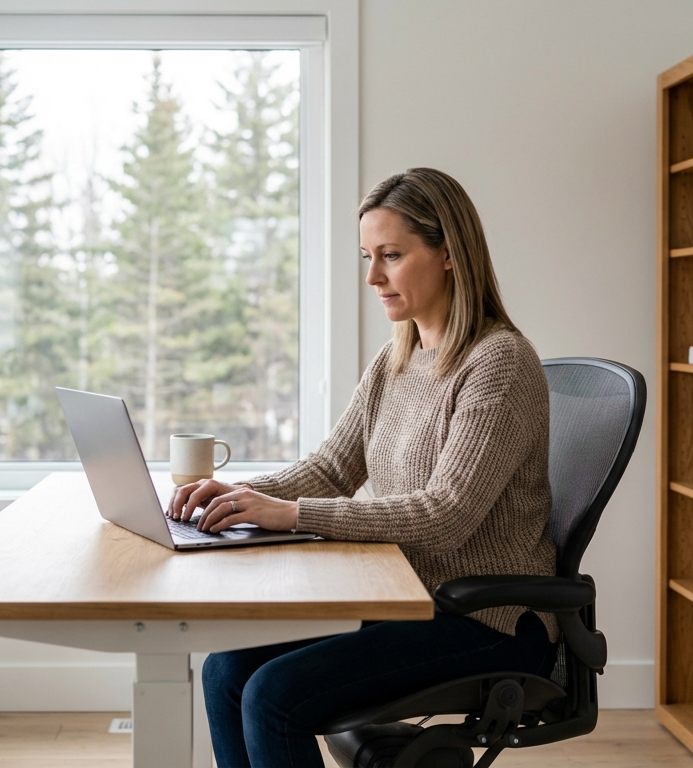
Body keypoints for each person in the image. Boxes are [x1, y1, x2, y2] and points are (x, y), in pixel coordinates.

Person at [167, 167, 557, 768]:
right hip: (408, 598)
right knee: (225, 669)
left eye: (391, 255)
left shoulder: (498, 364)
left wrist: (292, 515)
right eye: (367, 256)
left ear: (449, 253)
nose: (373, 276)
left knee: (274, 695)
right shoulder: (399, 355)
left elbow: (446, 515)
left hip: (486, 619)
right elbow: (330, 467)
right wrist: (239, 495)